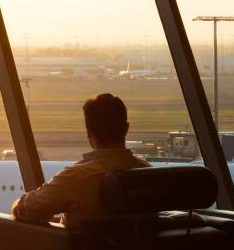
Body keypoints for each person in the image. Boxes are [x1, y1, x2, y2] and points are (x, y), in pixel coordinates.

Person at [11, 93, 148, 228]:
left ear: (89, 133)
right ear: (126, 128)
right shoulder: (148, 173)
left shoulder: (76, 177)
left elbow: (24, 210)